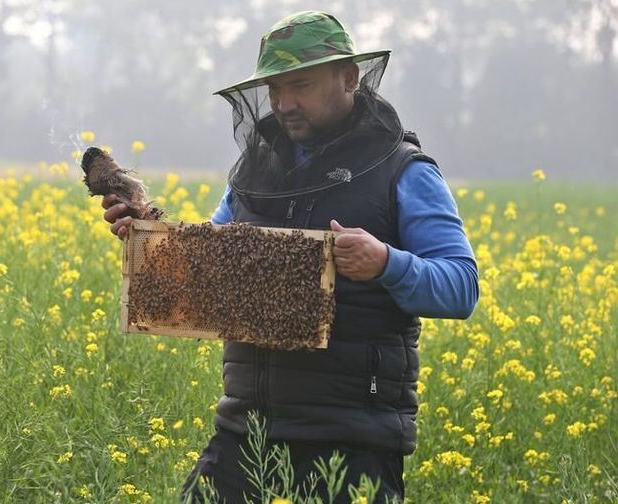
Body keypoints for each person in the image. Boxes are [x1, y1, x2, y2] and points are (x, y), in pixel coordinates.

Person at [103, 10, 479, 503]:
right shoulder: (255, 173)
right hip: (247, 432)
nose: (283, 104)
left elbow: (461, 285)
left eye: (299, 85)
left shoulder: (405, 172)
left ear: (350, 78)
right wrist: (148, 231)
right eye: (275, 90)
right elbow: (208, 265)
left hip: (352, 442)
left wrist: (387, 262)